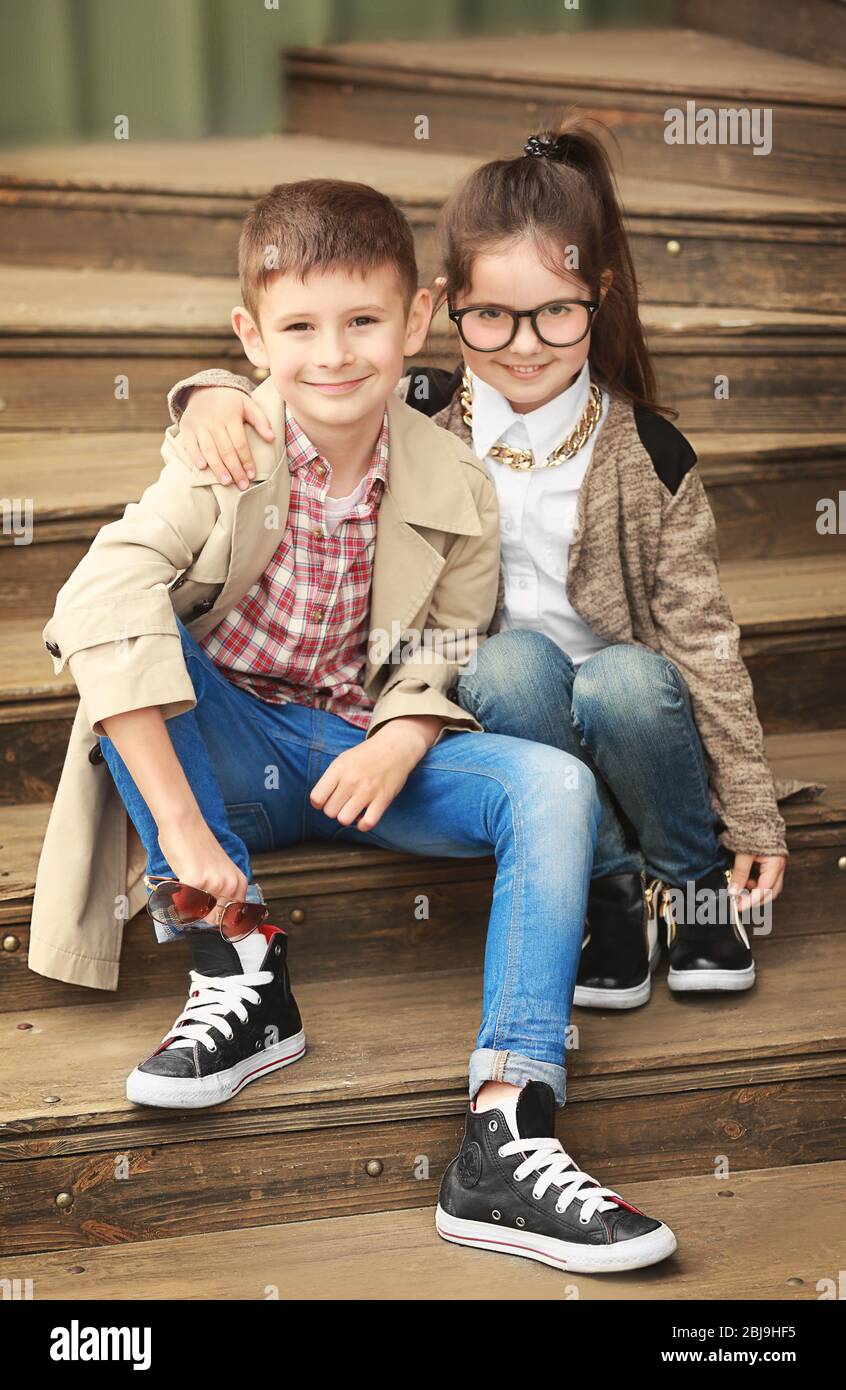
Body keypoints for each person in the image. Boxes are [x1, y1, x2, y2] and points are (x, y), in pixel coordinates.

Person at [34, 176, 676, 1274]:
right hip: (220, 755)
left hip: (355, 754)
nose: (333, 355)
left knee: (552, 785)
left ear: (416, 319)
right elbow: (92, 602)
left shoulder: (456, 482)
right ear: (252, 337)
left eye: (364, 322)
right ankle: (236, 964)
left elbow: (450, 638)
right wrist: (186, 846)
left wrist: (407, 733)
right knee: (132, 629)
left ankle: (506, 1125)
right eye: (299, 329)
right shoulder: (224, 447)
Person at [173, 122, 790, 1015]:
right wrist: (207, 393)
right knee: (508, 660)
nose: (525, 344)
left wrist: (754, 810)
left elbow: (705, 643)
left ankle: (690, 892)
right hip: (499, 711)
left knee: (620, 679)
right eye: (492, 315)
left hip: (639, 719)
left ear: (599, 299)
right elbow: (306, 372)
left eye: (558, 313)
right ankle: (609, 895)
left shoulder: (649, 453)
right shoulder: (414, 415)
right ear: (444, 307)